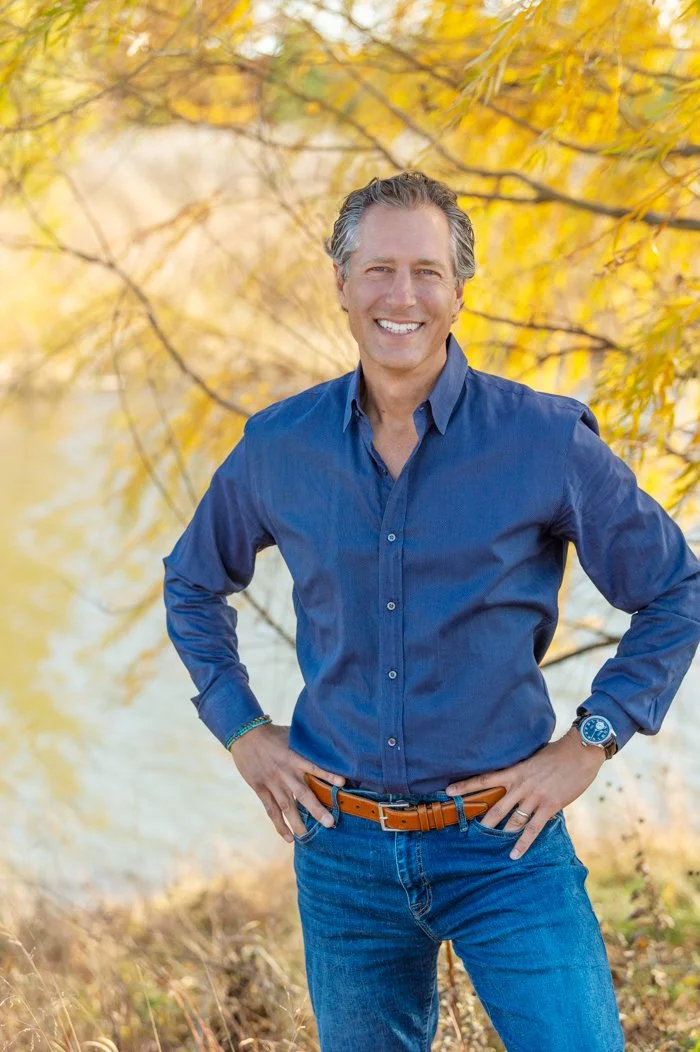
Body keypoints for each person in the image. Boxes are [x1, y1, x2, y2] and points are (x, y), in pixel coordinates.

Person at [162, 170, 700, 1051]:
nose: (401, 296)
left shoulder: (543, 440)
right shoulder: (280, 445)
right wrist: (242, 729)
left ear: (458, 291)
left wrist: (590, 742)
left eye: (426, 272)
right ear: (342, 284)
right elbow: (192, 584)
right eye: (379, 270)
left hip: (505, 846)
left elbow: (675, 589)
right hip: (341, 852)